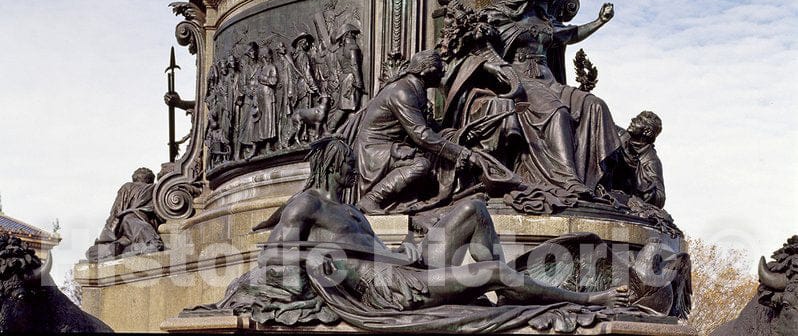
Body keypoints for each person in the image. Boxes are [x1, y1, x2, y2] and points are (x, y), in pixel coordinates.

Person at [187, 137, 629, 328]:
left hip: (403, 266)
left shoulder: (350, 209)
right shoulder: (308, 204)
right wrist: (325, 263)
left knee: (473, 207)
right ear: (334, 166)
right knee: (493, 273)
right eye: (349, 165)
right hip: (392, 289)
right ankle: (586, 299)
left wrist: (404, 250)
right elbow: (275, 260)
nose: (355, 172)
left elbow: (374, 248)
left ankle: (509, 288)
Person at [443, 0, 622, 204]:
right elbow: (470, 50)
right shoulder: (498, 15)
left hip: (548, 79)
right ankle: (567, 178)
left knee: (594, 105)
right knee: (557, 112)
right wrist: (490, 66)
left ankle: (598, 182)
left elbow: (570, 34)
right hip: (520, 79)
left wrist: (599, 21)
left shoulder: (544, 19)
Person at [353, 50, 471, 213]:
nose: (442, 73)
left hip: (394, 146)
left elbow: (430, 130)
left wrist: (460, 135)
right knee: (420, 164)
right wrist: (458, 152)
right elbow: (421, 135)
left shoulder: (416, 89)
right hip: (374, 149)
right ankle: (372, 199)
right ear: (426, 71)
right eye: (438, 68)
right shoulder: (402, 91)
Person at [85, 168, 164, 260]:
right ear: (151, 179)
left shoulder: (128, 187)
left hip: (131, 228)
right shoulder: (156, 188)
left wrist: (105, 238)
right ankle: (123, 247)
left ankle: (141, 245)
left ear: (134, 178)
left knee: (93, 252)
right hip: (140, 229)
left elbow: (115, 212)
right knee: (93, 252)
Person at [612, 111, 666, 208]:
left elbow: (660, 199)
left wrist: (639, 178)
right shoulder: (619, 135)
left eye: (639, 120)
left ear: (647, 132)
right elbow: (602, 124)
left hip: (619, 200)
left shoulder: (651, 161)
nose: (633, 120)